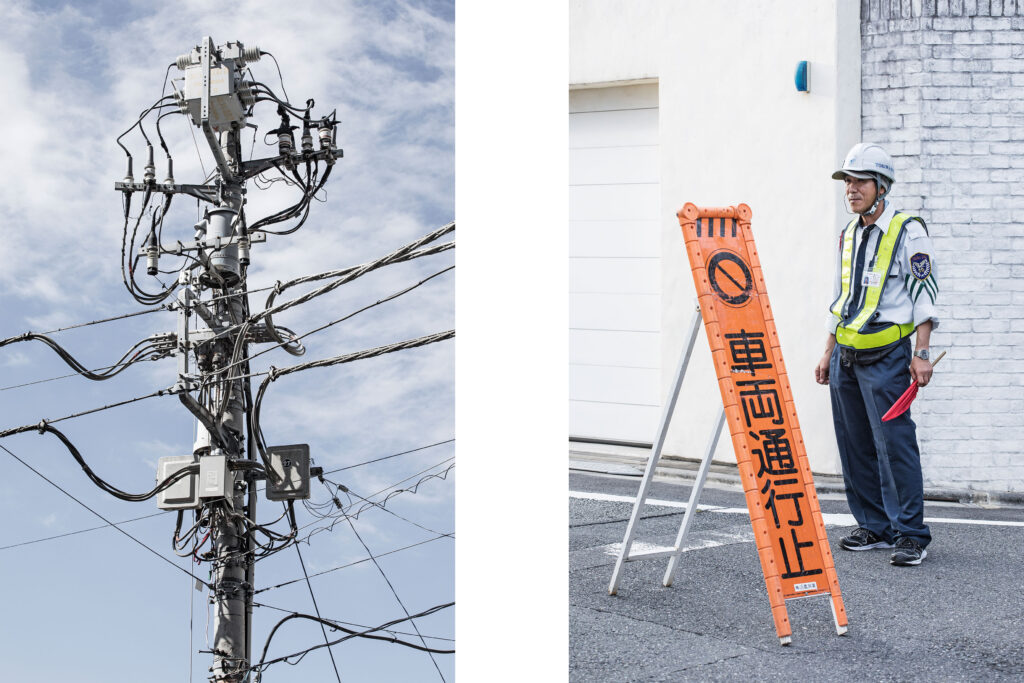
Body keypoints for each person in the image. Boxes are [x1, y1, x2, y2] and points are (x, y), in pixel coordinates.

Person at [814, 143, 939, 567]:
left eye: (860, 181)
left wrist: (921, 353)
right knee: (854, 444)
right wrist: (827, 350)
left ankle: (910, 534)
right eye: (847, 181)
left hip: (887, 356)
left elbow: (925, 294)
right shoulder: (848, 233)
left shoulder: (909, 230)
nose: (851, 189)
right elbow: (841, 297)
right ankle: (875, 525)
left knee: (895, 444)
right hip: (845, 356)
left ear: (881, 187)